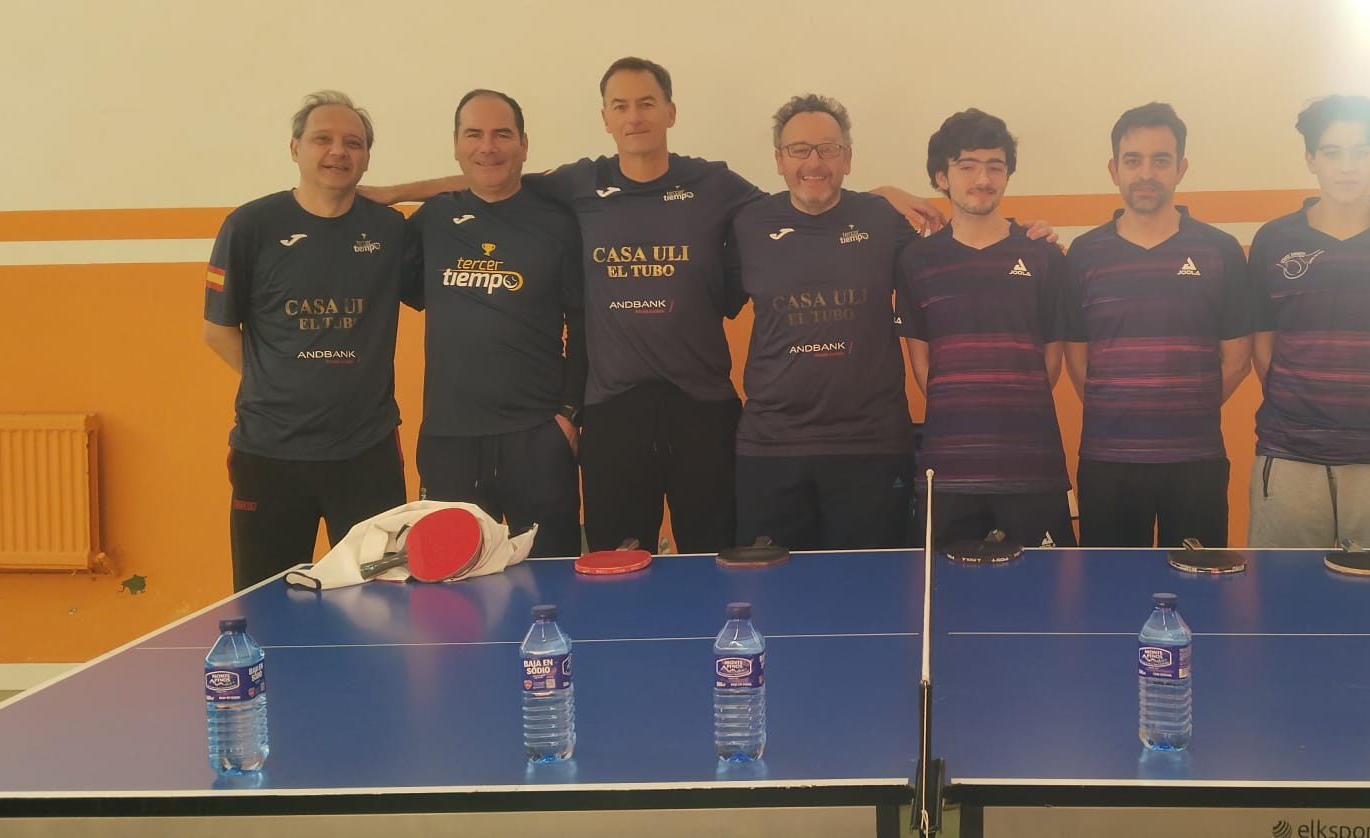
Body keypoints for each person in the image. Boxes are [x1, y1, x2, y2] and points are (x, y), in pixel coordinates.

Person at [365, 58, 941, 554]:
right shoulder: (579, 183)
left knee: (713, 560)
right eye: (620, 105)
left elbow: (803, 196)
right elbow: (490, 174)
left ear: (670, 111)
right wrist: (392, 193)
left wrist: (882, 195)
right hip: (614, 411)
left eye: (646, 103)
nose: (634, 116)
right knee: (617, 565)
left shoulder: (714, 184)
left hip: (704, 408)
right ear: (605, 117)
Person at [202, 91, 414, 590]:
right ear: (295, 148)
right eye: (323, 139)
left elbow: (487, 183)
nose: (338, 151)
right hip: (269, 455)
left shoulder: (390, 230)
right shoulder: (250, 226)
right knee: (265, 606)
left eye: (353, 143)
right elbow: (217, 330)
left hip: (368, 454)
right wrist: (280, 381)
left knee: (383, 607)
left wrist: (401, 191)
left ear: (367, 158)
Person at [1245, 95, 1370, 549]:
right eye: (1332, 152)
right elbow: (1263, 344)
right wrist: (1296, 409)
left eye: (1360, 152)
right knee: (1283, 591)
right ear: (1311, 159)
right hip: (1288, 454)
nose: (1347, 166)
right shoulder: (1273, 241)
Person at [726, 95, 918, 549]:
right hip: (770, 447)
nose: (814, 162)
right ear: (779, 160)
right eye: (799, 150)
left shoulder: (883, 219)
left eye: (828, 149)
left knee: (868, 587)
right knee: (772, 589)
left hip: (872, 444)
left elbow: (952, 258)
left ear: (847, 159)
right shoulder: (747, 224)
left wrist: (1020, 235)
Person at [1064, 102, 1255, 548]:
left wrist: (1188, 406)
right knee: (1110, 586)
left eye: (1161, 160)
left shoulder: (1221, 250)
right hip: (1107, 461)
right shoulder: (1083, 254)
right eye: (1133, 160)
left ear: (1181, 168)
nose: (1146, 173)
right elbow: (1077, 357)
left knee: (1197, 584)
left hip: (1197, 461)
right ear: (1114, 170)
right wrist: (1122, 408)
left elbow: (1238, 358)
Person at [410, 89, 585, 557]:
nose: (487, 147)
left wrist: (569, 415)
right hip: (448, 440)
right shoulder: (433, 218)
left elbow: (584, 324)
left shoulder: (560, 223)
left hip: (537, 437)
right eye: (474, 134)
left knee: (552, 580)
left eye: (502, 134)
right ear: (456, 144)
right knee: (451, 586)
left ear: (524, 145)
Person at [895, 109, 1078, 548]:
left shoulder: (1043, 255)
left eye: (995, 166)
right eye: (967, 166)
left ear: (1008, 174)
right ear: (941, 176)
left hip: (1032, 467)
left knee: (1043, 591)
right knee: (946, 591)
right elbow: (922, 366)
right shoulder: (917, 260)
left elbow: (1050, 362)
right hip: (949, 472)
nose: (983, 178)